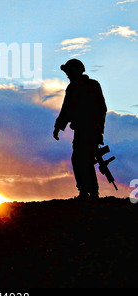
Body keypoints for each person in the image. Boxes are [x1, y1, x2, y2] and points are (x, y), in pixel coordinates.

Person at [53, 59, 107, 199]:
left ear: (76, 70)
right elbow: (65, 110)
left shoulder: (92, 85)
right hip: (81, 130)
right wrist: (58, 127)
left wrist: (98, 129)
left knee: (85, 159)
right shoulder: (72, 88)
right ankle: (84, 191)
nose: (68, 75)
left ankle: (91, 192)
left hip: (90, 130)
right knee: (79, 159)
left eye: (69, 72)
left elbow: (102, 109)